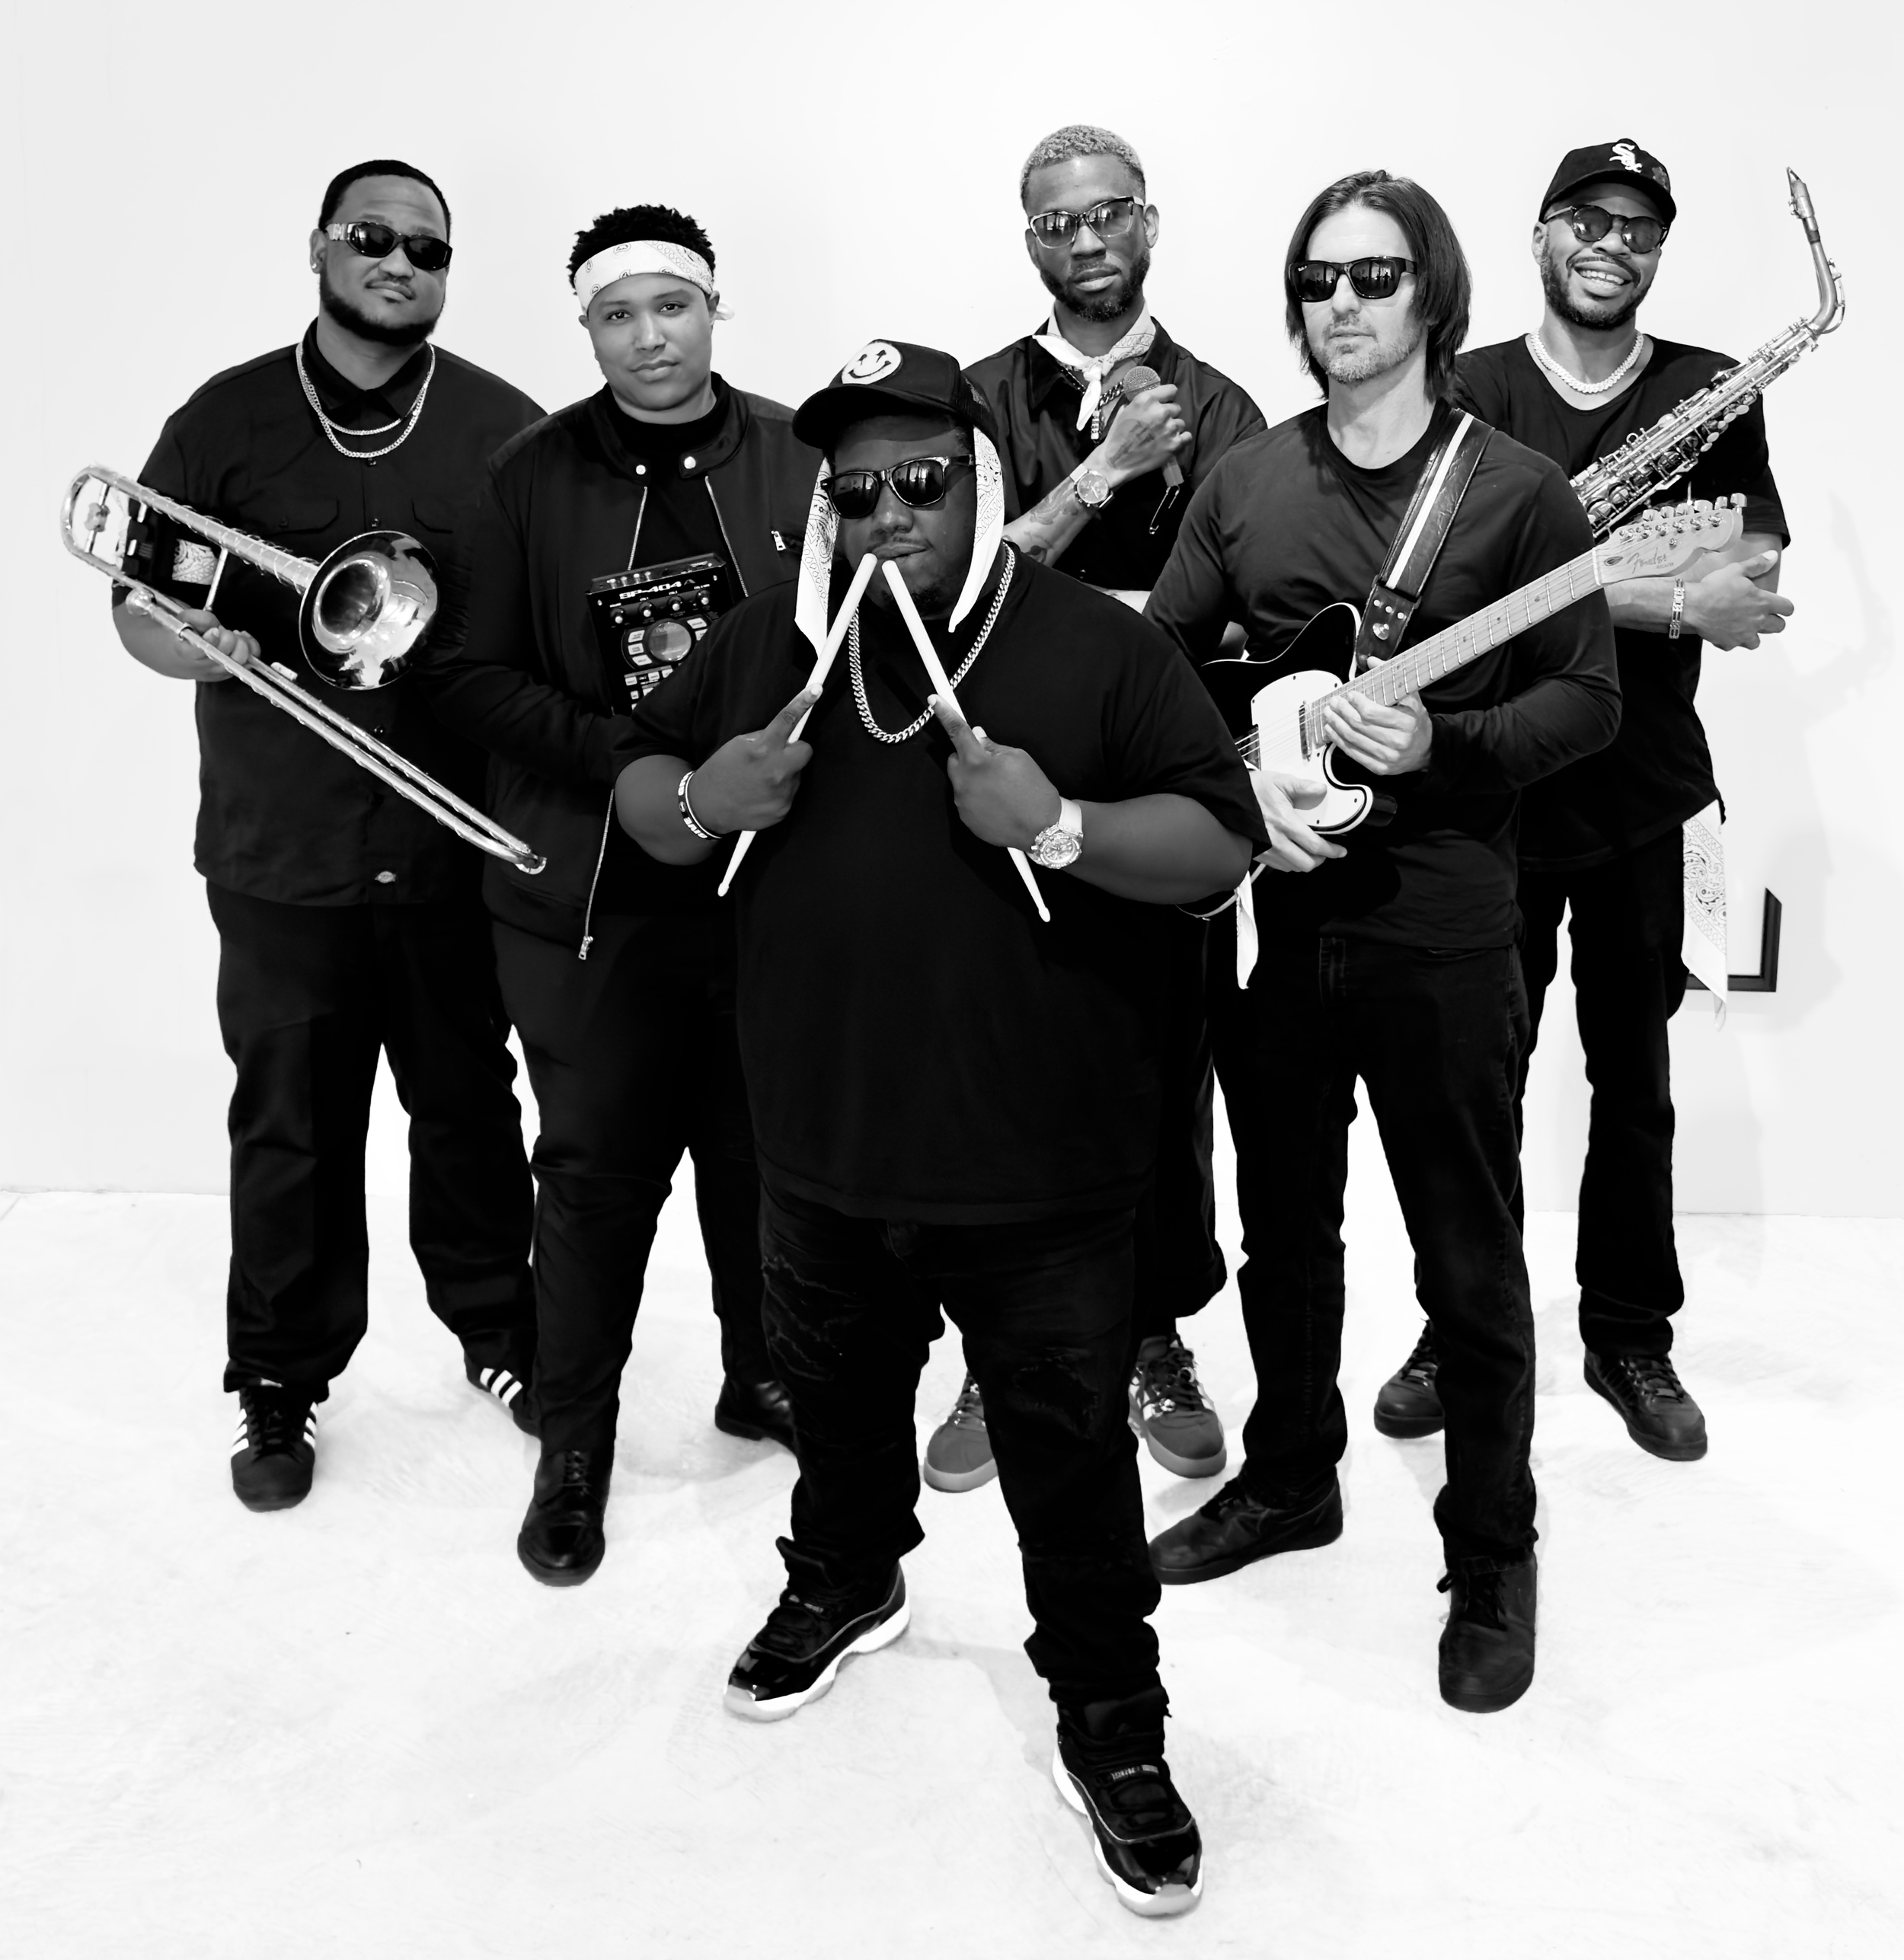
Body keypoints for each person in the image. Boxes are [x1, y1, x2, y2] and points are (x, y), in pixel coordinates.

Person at [614, 341, 1263, 1915]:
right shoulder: (773, 644)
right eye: (852, 492)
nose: (884, 514)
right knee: (836, 1410)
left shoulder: (1095, 646)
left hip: (1039, 1166)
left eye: (918, 481)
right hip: (818, 1146)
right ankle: (847, 1579)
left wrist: (1061, 825)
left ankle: (1109, 1714)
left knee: (1068, 1464)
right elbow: (635, 788)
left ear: (979, 483)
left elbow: (1220, 844)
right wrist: (702, 802)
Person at [1144, 172, 1622, 1714]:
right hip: (1277, 923)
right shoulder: (1246, 480)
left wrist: (1441, 744)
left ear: (1432, 295)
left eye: (1372, 276)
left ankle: (1493, 1550)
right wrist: (1236, 790)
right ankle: (1292, 1474)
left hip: (1441, 928)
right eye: (1314, 279)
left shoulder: (1516, 491)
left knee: (1467, 1254)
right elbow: (1156, 675)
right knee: (1283, 1230)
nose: (1338, 304)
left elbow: (1587, 702)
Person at [113, 160, 542, 1512]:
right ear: (319, 246)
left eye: (429, 247)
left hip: (448, 844)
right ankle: (279, 1375)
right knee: (291, 1122)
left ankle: (503, 1333)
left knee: (468, 1104)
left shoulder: (502, 428)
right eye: (373, 236)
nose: (400, 261)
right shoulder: (227, 419)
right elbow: (136, 608)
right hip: (280, 851)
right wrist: (200, 647)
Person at [1370, 142, 1792, 1463]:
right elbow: (1441, 597)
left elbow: (1751, 572)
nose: (1613, 244)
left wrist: (1575, 582)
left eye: (1640, 228)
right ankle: (1460, 1323)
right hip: (1491, 788)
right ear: (1543, 233)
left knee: (1638, 1080)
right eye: (1588, 220)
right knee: (1474, 1084)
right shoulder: (1468, 388)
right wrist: (1654, 592)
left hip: (1646, 797)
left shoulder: (1710, 389)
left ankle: (1629, 1332)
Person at [422, 206, 818, 1587]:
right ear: (586, 330)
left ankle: (762, 1373)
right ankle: (575, 1438)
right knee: (595, 1177)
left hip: (764, 887)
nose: (650, 338)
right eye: (617, 315)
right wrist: (631, 763)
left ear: (715, 309)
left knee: (760, 1155)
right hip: (590, 893)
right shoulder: (525, 477)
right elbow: (464, 674)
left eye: (673, 306)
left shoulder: (799, 456)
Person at [928, 125, 1269, 1495]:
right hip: (993, 791)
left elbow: (1251, 619)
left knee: (1162, 1074)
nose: (1085, 239)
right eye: (1057, 221)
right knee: (996, 1070)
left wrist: (1115, 618)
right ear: (1030, 241)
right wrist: (1104, 474)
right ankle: (996, 1345)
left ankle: (1149, 1332)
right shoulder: (971, 398)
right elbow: (950, 591)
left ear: (1149, 223)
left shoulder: (1227, 408)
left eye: (1108, 212)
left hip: (1158, 795)